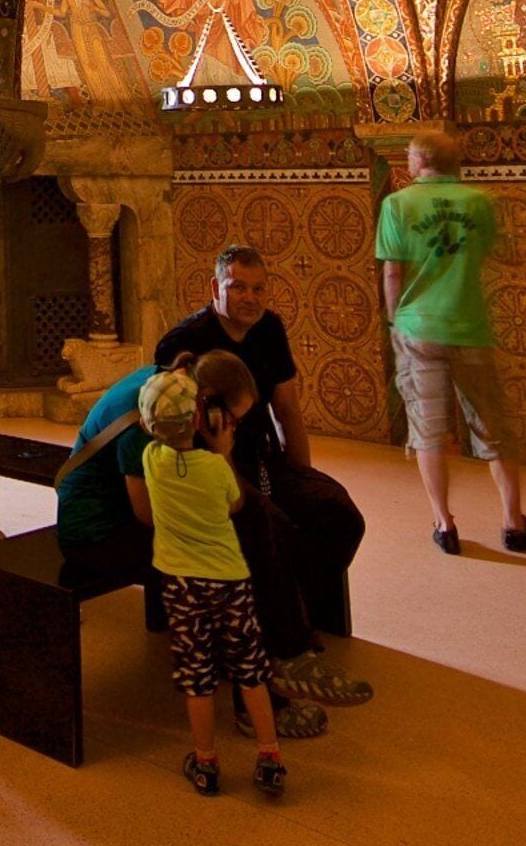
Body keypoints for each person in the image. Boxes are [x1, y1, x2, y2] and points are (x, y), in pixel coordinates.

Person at [51, 350, 323, 740]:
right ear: (206, 401)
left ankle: (284, 650)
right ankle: (259, 698)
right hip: (97, 535)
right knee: (230, 555)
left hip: (129, 515)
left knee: (257, 526)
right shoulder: (145, 418)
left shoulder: (173, 389)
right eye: (230, 419)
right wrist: (218, 465)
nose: (232, 427)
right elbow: (149, 514)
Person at [155, 245, 371, 707]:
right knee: (272, 528)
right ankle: (276, 648)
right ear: (215, 288)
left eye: (259, 288)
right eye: (238, 287)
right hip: (211, 464)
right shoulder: (183, 343)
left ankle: (293, 616)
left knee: (337, 513)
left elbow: (288, 409)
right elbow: (180, 440)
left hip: (262, 459)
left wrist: (301, 474)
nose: (251, 298)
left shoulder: (269, 329)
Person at [379, 129, 526, 555]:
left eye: (410, 156)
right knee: (494, 429)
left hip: (419, 327)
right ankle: (513, 521)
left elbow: (393, 272)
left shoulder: (397, 204)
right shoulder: (479, 202)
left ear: (419, 160)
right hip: (470, 324)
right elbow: (485, 253)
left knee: (428, 431)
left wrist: (397, 320)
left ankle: (445, 523)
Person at [130, 359, 286, 800]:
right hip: (229, 580)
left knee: (197, 678)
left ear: (147, 424)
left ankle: (206, 763)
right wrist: (224, 452)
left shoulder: (150, 459)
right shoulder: (216, 467)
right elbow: (236, 505)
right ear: (200, 419)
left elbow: (155, 439)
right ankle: (269, 757)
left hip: (180, 585)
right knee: (250, 671)